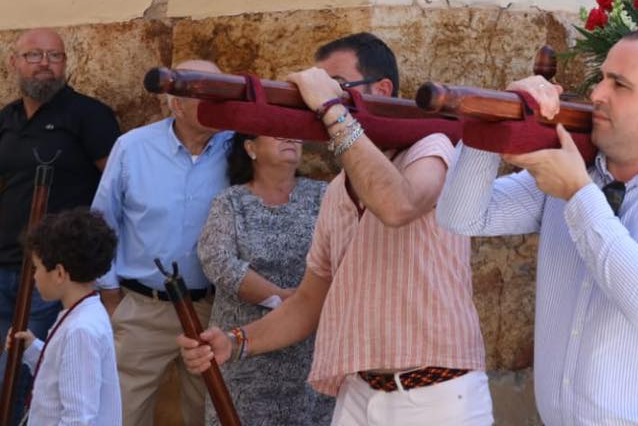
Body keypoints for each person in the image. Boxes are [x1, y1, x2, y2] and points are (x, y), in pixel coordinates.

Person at [178, 32, 488, 425]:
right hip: (358, 394)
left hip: (438, 396)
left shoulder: (432, 147)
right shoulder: (338, 191)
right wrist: (235, 342)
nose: (315, 103)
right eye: (318, 89)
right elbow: (309, 302)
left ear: (381, 90)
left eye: (337, 86)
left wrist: (330, 106)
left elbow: (399, 205)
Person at [435, 30, 638, 425]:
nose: (597, 94)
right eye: (602, 78)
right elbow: (461, 216)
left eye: (620, 84)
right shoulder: (579, 170)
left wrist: (578, 194)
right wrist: (495, 120)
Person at [92, 59, 230, 426]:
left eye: (222, 90)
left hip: (213, 311)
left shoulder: (242, 149)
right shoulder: (132, 147)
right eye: (204, 92)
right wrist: (110, 298)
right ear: (176, 102)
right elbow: (103, 223)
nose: (218, 101)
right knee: (123, 412)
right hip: (141, 307)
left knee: (207, 411)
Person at [0, 28, 119, 424]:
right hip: (4, 266)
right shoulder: (7, 119)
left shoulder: (89, 116)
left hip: (53, 270)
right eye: (34, 55)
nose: (45, 64)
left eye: (54, 56)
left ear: (66, 64)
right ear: (14, 63)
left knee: (27, 377)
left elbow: (114, 190)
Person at [196, 133, 331, 426]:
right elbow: (218, 261)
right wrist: (284, 300)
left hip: (310, 352)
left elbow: (342, 254)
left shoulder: (324, 195)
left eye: (294, 131)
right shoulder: (231, 202)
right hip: (242, 350)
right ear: (251, 148)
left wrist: (303, 306)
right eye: (275, 131)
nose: (289, 137)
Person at [9, 210, 120, 426]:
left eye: (37, 268)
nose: (34, 276)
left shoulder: (81, 329)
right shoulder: (84, 314)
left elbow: (78, 419)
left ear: (59, 273)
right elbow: (66, 369)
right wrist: (32, 349)